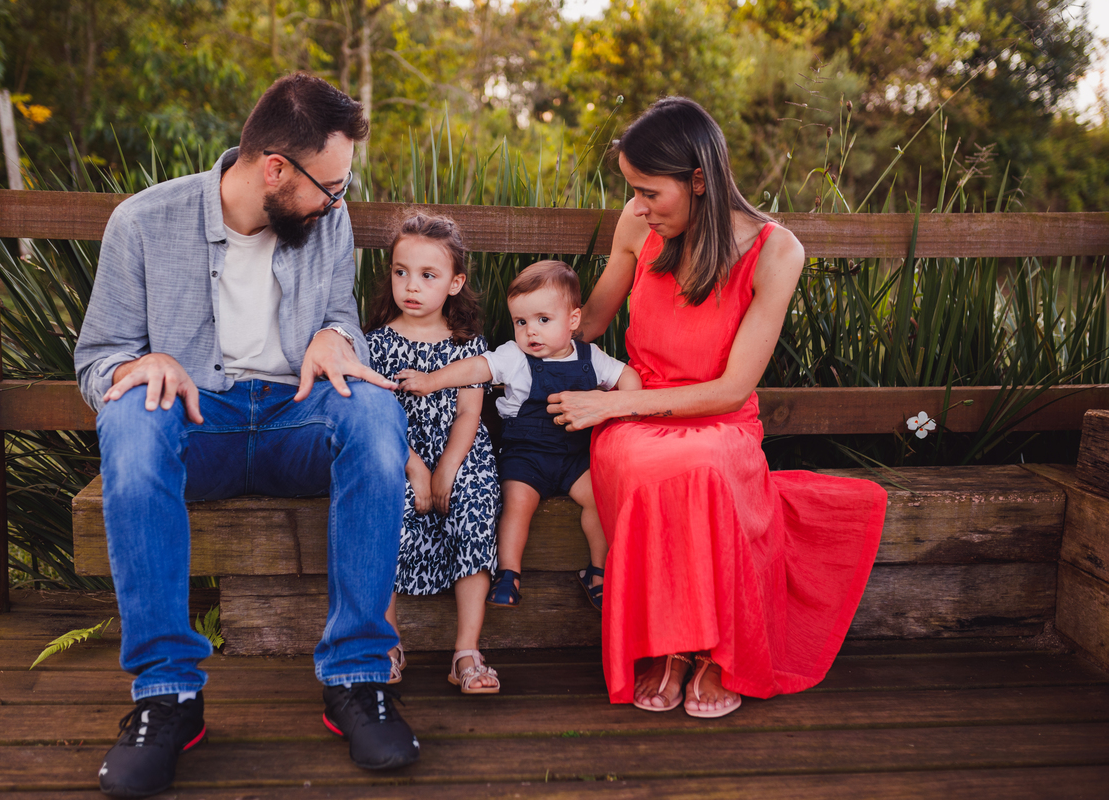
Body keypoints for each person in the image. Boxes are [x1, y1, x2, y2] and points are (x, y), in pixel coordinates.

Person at [74, 74, 420, 798]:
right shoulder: (142, 222)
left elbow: (340, 316)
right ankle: (167, 694)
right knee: (130, 417)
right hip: (200, 427)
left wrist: (334, 335)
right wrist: (140, 365)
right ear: (275, 170)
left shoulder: (326, 221)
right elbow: (97, 360)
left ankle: (356, 677)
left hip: (296, 420)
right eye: (330, 187)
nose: (337, 202)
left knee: (374, 413)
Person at [546, 97, 887, 718]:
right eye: (633, 191)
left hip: (717, 419)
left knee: (704, 466)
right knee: (651, 466)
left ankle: (709, 649)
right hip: (634, 417)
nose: (638, 206)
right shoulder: (638, 226)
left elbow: (731, 390)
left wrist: (611, 407)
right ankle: (672, 648)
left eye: (650, 192)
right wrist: (505, 349)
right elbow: (589, 322)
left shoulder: (777, 251)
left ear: (699, 179)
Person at [398, 260, 641, 612]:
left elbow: (627, 375)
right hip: (526, 456)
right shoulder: (514, 356)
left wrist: (627, 406)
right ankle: (508, 574)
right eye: (521, 322)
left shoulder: (592, 357)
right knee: (516, 503)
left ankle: (598, 571)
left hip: (575, 457)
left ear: (573, 320)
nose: (531, 332)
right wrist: (431, 380)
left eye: (543, 320)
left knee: (600, 498)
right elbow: (477, 367)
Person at [363, 212, 503, 694]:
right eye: (401, 272)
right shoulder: (374, 346)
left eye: (428, 275)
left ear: (454, 283)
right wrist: (416, 468)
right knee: (384, 502)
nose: (411, 286)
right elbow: (377, 416)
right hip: (397, 451)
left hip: (459, 452)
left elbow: (469, 414)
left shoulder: (468, 346)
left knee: (476, 501)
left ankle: (466, 651)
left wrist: (445, 469)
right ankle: (387, 642)